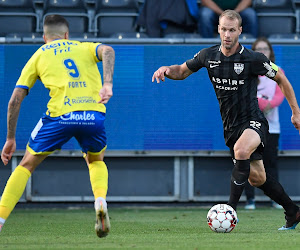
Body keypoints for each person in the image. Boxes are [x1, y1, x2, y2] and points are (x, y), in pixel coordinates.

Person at [152, 10, 300, 230]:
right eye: (223, 29)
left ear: (240, 31)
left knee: (241, 152)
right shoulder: (207, 56)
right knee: (257, 178)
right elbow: (182, 71)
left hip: (254, 121)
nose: (227, 34)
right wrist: (167, 69)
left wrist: (296, 112)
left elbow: (281, 79)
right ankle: (293, 211)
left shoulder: (253, 59)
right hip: (231, 127)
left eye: (232, 30)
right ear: (218, 29)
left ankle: (229, 211)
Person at [0, 15, 115, 238]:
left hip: (60, 117)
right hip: (93, 115)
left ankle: (0, 219)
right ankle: (100, 201)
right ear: (66, 35)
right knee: (95, 160)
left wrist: (10, 138)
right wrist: (108, 83)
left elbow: (15, 100)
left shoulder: (39, 55)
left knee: (26, 164)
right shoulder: (84, 47)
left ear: (44, 37)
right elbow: (108, 50)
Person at [244, 37, 285, 210]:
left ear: (270, 52)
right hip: (250, 128)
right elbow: (246, 95)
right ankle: (250, 200)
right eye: (258, 48)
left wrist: (268, 104)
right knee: (248, 162)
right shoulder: (249, 71)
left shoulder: (276, 70)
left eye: (265, 49)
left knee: (270, 163)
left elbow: (281, 93)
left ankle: (275, 199)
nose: (262, 51)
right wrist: (260, 103)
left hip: (271, 127)